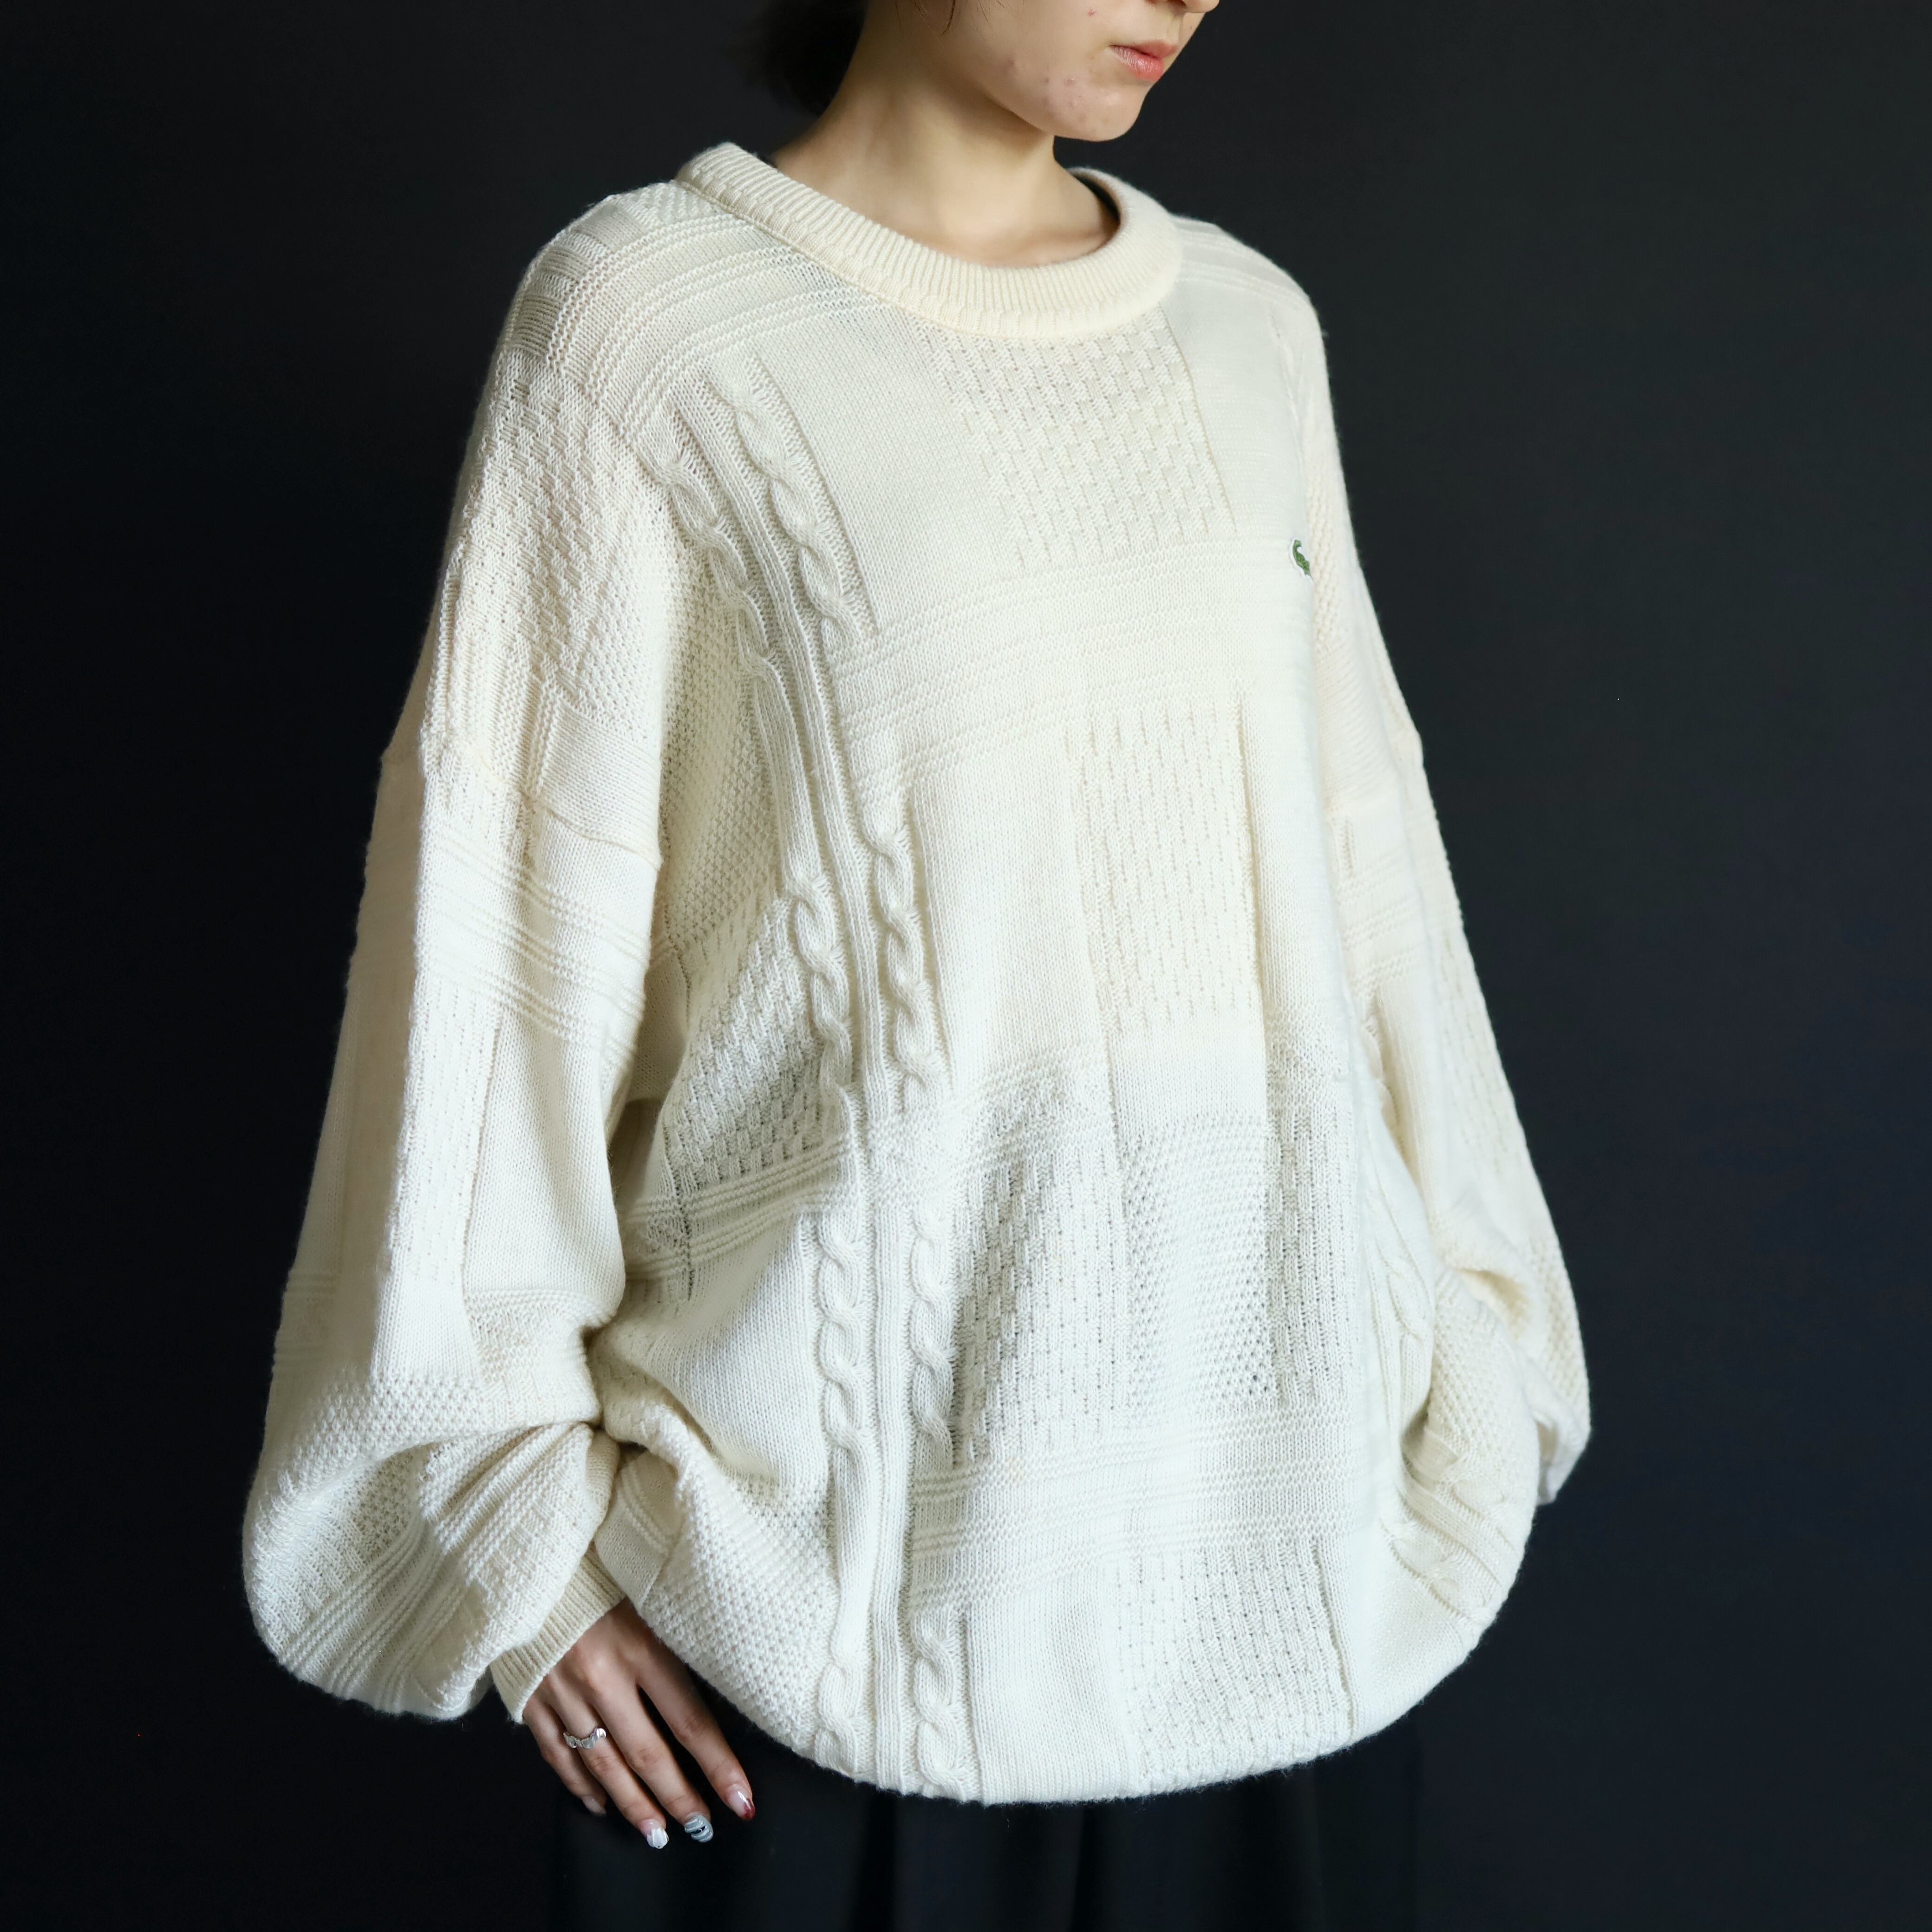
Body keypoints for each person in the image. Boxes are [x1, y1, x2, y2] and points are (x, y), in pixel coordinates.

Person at [242, 2, 1591, 1925]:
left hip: (1297, 1571)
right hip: (820, 1615)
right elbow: (498, 938)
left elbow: (1371, 873)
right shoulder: (647, 328)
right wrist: (508, 1542)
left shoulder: (1245, 330)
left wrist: (1481, 1319)